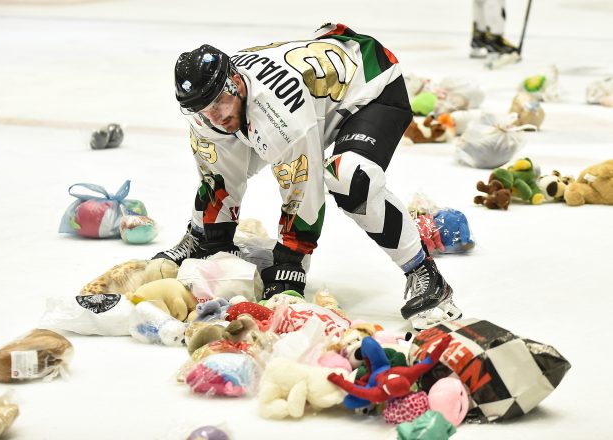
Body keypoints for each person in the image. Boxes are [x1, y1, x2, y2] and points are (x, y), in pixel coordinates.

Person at [153, 23, 462, 330]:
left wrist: (290, 263)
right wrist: (212, 243)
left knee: (349, 179)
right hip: (317, 92)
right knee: (219, 166)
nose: (215, 116)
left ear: (237, 83)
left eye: (220, 101)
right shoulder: (209, 110)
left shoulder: (278, 113)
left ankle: (425, 274)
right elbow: (218, 179)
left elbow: (304, 189)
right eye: (203, 108)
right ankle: (198, 236)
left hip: (369, 84)